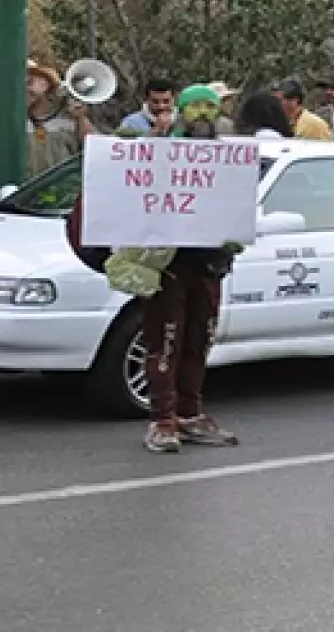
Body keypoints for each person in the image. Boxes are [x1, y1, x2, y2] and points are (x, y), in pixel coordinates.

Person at [101, 85, 242, 453]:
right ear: (180, 111)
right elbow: (122, 168)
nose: (201, 114)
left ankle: (191, 414)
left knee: (199, 340)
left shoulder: (228, 158)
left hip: (208, 264)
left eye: (208, 108)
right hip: (167, 266)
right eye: (193, 107)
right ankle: (162, 420)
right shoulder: (157, 148)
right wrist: (153, 143)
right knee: (164, 342)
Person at [27, 59, 93, 177]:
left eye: (30, 81)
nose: (27, 88)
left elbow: (91, 146)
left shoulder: (68, 117)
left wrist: (81, 117)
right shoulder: (13, 117)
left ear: (47, 85)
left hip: (60, 189)